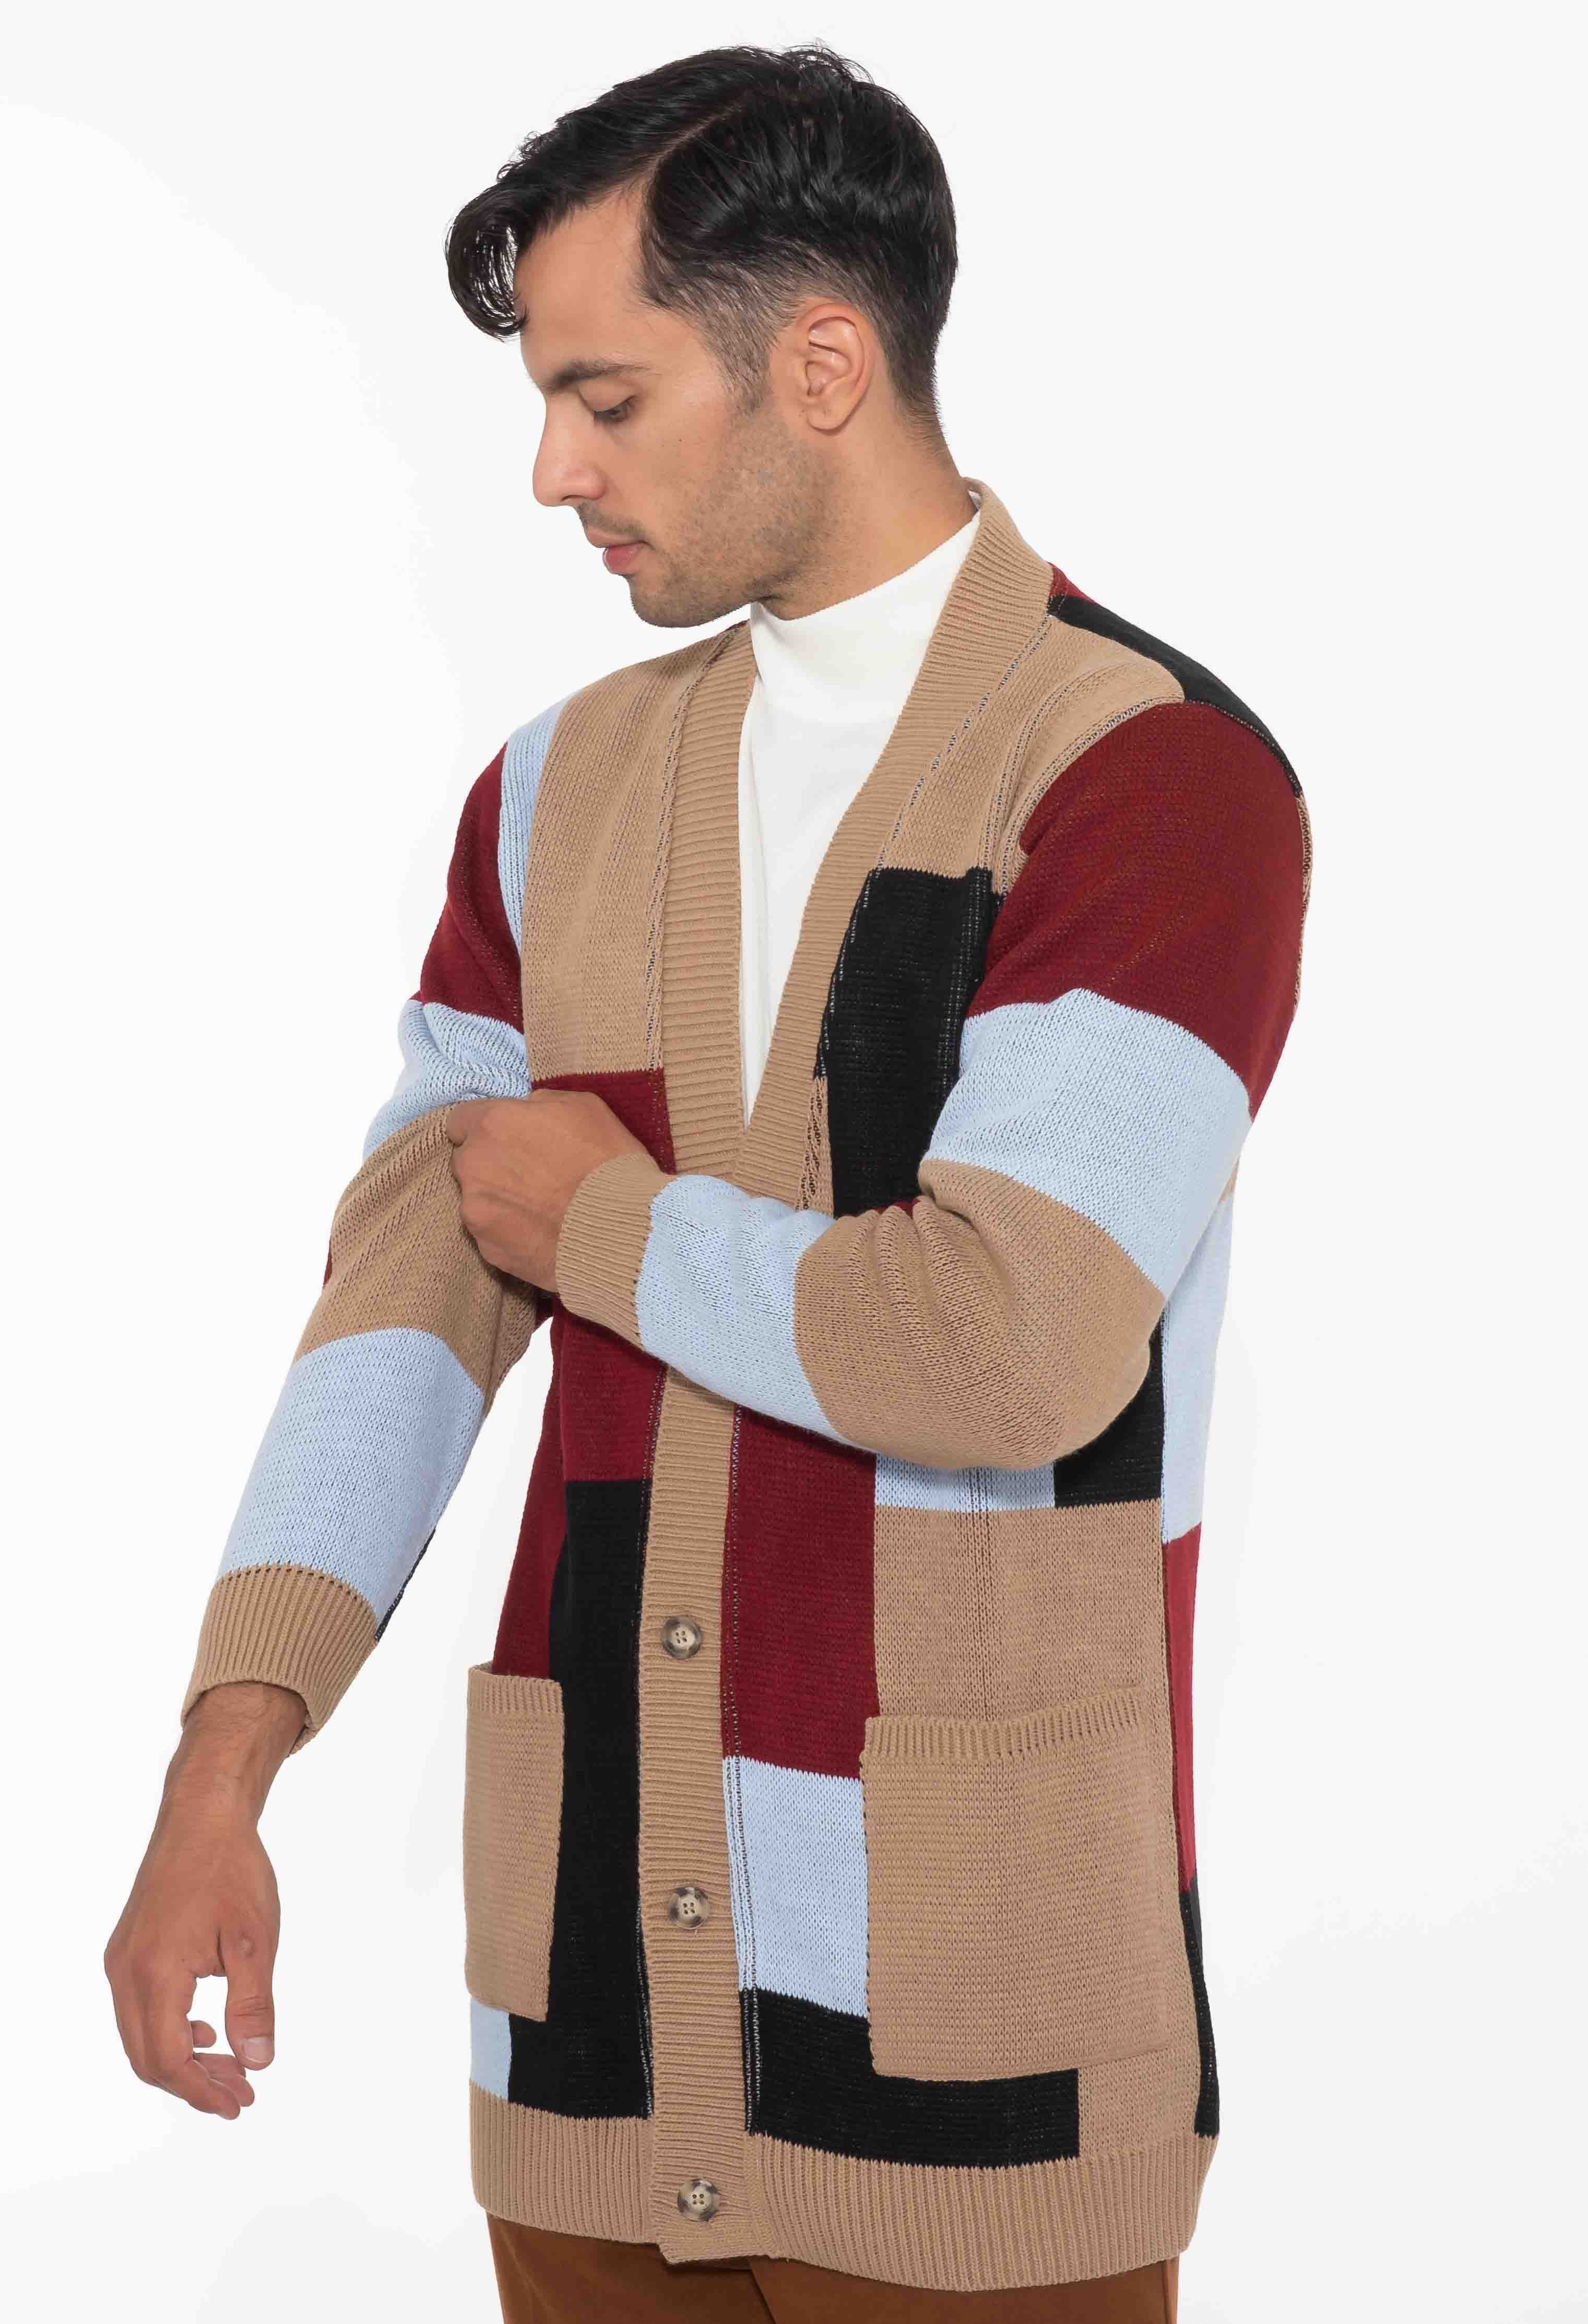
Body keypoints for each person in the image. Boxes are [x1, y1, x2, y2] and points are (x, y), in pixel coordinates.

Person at [104, 40, 1312, 2323]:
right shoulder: (550, 798)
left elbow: (1010, 1344)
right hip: (587, 2012)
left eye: (608, 398)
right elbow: (400, 1314)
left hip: (979, 2037)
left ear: (820, 368)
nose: (553, 469)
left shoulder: (1147, 783)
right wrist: (225, 1758)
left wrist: (606, 1225)